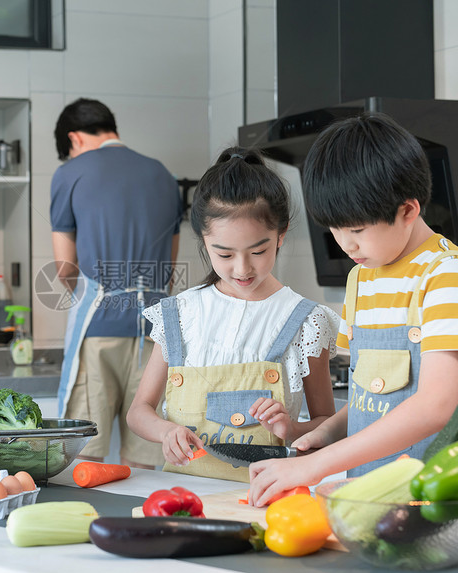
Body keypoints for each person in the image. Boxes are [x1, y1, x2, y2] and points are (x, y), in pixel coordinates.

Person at [248, 112, 458, 506]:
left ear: (408, 211)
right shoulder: (362, 278)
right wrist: (325, 432)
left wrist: (313, 468)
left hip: (449, 502)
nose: (345, 246)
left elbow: (434, 407)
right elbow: (375, 397)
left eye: (356, 230)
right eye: (334, 230)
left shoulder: (447, 276)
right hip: (374, 497)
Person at [127, 147, 340, 482]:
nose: (242, 268)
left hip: (268, 497)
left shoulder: (306, 320)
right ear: (203, 239)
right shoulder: (180, 313)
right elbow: (139, 412)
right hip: (183, 495)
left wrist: (292, 428)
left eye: (259, 251)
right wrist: (166, 432)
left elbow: (329, 424)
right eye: (224, 253)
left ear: (281, 235)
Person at [50, 98, 183, 469]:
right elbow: (168, 270)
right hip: (157, 335)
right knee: (145, 458)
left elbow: (64, 267)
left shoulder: (70, 174)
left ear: (74, 138)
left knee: (83, 455)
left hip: (99, 328)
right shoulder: (162, 174)